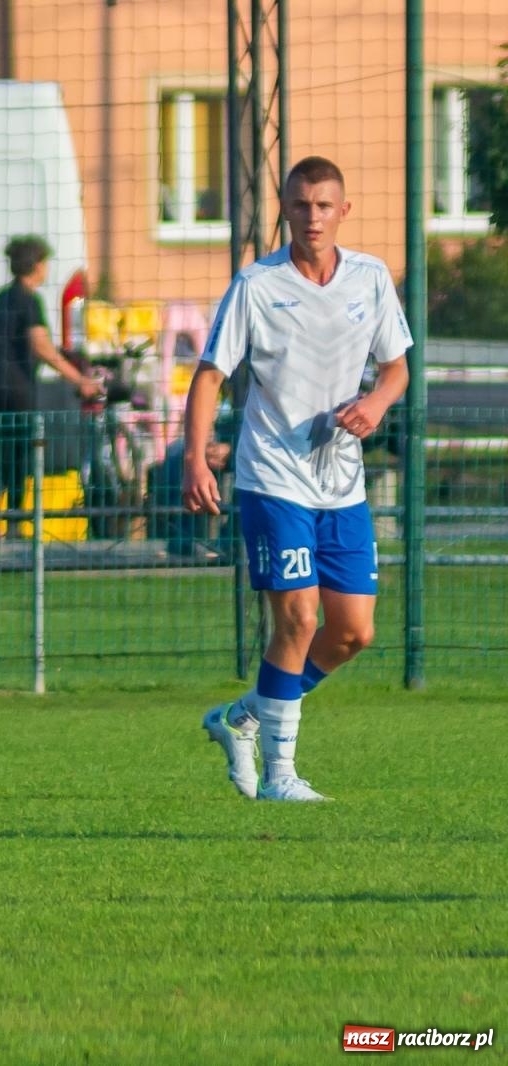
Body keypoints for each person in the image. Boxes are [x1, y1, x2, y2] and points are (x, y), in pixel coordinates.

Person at [184, 156, 411, 802]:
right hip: (271, 477)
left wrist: (374, 404)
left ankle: (244, 717)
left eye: (324, 204)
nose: (312, 216)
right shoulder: (256, 286)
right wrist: (195, 458)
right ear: (284, 209)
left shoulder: (369, 279)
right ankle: (280, 776)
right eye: (301, 204)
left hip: (342, 484)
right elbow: (209, 376)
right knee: (299, 618)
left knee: (353, 632)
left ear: (344, 210)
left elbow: (396, 367)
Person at [0, 235, 100, 539]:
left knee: (0, 452)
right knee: (19, 453)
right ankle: (15, 523)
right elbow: (41, 347)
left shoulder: (3, 296)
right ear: (36, 265)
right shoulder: (30, 300)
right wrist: (80, 379)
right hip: (15, 389)